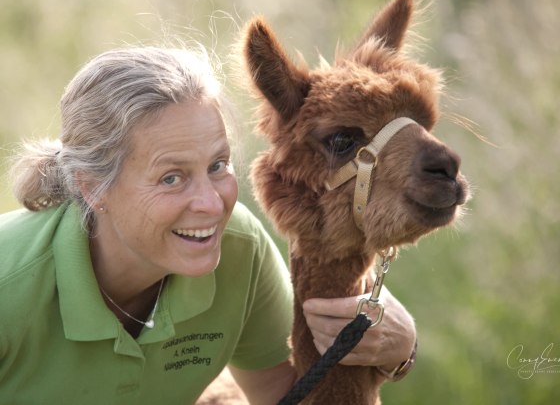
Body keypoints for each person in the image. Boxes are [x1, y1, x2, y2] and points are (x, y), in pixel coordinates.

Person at [0, 45, 417, 404]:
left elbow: (287, 394)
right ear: (92, 188)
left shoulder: (239, 249)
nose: (211, 203)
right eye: (172, 178)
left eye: (218, 165)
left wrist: (400, 349)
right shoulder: (9, 288)